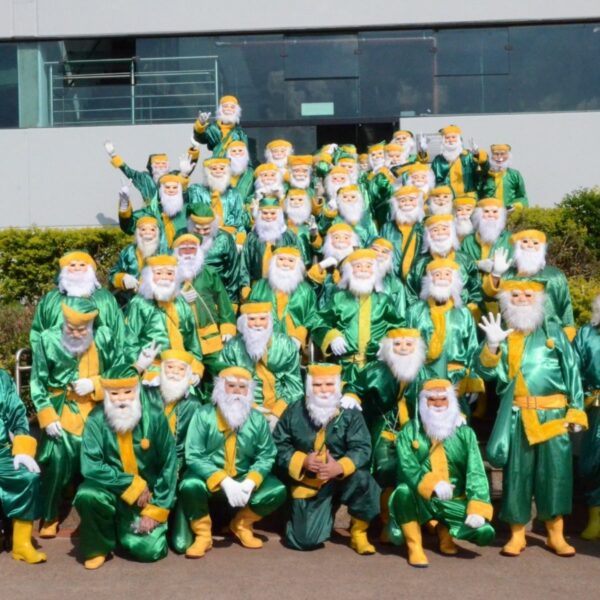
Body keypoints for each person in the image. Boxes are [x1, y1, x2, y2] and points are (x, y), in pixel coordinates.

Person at [476, 280, 587, 557]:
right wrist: (492, 346)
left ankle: (555, 534)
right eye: (515, 295)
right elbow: (486, 374)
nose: (522, 299)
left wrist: (576, 409)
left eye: (528, 294)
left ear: (538, 299)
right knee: (517, 475)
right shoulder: (504, 333)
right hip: (519, 417)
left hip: (553, 417)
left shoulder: (554, 331)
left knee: (556, 476)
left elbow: (572, 370)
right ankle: (517, 534)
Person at [73, 365, 177, 569]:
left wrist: (156, 509)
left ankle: (121, 531)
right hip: (110, 491)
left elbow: (169, 463)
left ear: (137, 391)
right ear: (106, 394)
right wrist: (130, 483)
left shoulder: (155, 416)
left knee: (151, 551)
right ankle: (98, 547)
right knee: (87, 494)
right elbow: (90, 465)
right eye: (114, 393)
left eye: (127, 392)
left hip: (147, 498)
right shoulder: (96, 419)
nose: (121, 399)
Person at [30, 302, 119, 537]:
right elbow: (37, 382)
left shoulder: (104, 337)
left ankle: (96, 517)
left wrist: (95, 384)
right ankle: (49, 515)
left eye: (83, 329)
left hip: (97, 411)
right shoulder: (48, 338)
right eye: (72, 329)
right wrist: (47, 416)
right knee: (56, 459)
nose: (77, 334)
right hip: (61, 410)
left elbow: (117, 372)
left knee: (105, 458)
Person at [179, 366, 287, 557]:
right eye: (231, 386)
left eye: (242, 387)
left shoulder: (257, 419)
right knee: (189, 485)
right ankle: (203, 535)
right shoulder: (204, 415)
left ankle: (241, 524)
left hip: (243, 476)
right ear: (220, 388)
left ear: (249, 391)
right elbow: (194, 455)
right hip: (210, 478)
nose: (237, 391)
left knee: (277, 490)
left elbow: (266, 454)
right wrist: (224, 481)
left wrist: (251, 481)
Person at [273, 363, 380, 554]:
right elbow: (279, 444)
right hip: (310, 481)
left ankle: (358, 533)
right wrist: (303, 461)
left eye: (329, 384)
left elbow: (362, 447)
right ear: (309, 386)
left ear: (337, 386)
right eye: (317, 385)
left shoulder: (349, 411)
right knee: (304, 541)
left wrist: (339, 467)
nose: (324, 390)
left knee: (363, 479)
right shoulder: (295, 410)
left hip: (341, 478)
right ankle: (311, 514)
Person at [388, 379, 495, 567]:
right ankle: (415, 547)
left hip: (453, 499)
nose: (438, 404)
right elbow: (406, 468)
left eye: (443, 399)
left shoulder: (465, 433)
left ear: (451, 401)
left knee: (485, 532)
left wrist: (478, 508)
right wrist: (432, 484)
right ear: (423, 402)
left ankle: (445, 532)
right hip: (421, 499)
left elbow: (476, 472)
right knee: (402, 493)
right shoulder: (410, 431)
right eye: (432, 399)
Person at [344, 329, 430, 540]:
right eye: (398, 344)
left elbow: (439, 394)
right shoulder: (376, 370)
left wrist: (455, 412)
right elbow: (356, 386)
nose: (403, 348)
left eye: (408, 344)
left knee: (417, 469)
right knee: (385, 469)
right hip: (384, 427)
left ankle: (418, 520)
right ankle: (386, 522)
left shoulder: (424, 373)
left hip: (414, 430)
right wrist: (352, 395)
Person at [312, 249, 403, 388]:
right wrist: (332, 337)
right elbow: (318, 323)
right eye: (358, 266)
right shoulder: (338, 298)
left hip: (377, 370)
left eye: (368, 266)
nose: (363, 270)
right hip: (345, 368)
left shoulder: (384, 301)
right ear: (350, 271)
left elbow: (399, 328)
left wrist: (389, 344)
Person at [219, 302, 303, 430]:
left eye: (262, 319)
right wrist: (252, 408)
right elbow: (225, 386)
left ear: (270, 321)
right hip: (244, 409)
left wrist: (277, 413)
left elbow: (294, 387)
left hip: (282, 409)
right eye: (252, 319)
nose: (257, 324)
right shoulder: (233, 347)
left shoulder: (285, 346)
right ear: (243, 322)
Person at [407, 259, 479, 402]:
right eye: (437, 274)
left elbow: (473, 349)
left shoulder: (464, 313)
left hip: (457, 378)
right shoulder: (415, 311)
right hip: (424, 377)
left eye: (447, 274)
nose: (442, 278)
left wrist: (473, 382)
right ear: (429, 279)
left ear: (455, 279)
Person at [483, 229, 576, 340]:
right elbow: (488, 297)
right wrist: (496, 274)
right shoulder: (506, 274)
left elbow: (565, 305)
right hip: (510, 334)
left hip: (549, 338)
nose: (530, 245)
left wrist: (567, 332)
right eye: (525, 241)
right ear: (517, 245)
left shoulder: (555, 276)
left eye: (535, 243)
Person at [123, 255, 204, 380]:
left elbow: (192, 341)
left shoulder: (181, 303)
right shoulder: (139, 303)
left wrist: (195, 371)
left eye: (170, 273)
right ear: (149, 276)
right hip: (150, 369)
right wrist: (138, 368)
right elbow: (129, 341)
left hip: (180, 369)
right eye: (159, 273)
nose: (164, 278)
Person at [30, 250, 124, 348]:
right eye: (72, 265)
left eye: (82, 265)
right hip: (57, 355)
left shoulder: (105, 298)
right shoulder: (51, 299)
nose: (77, 268)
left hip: (99, 355)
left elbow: (119, 331)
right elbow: (38, 332)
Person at [0, 369, 46, 564]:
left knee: (28, 477)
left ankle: (21, 545)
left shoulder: (2, 378)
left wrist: (22, 449)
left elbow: (17, 414)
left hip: (2, 452)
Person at [173, 234, 236, 374]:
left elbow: (223, 300)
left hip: (210, 336)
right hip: (183, 339)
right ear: (176, 251)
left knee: (222, 371)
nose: (188, 253)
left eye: (192, 248)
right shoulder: (168, 275)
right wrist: (178, 296)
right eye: (184, 249)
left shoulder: (209, 272)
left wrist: (227, 327)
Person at [406, 215, 482, 311]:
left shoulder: (465, 259)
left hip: (461, 316)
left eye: (444, 229)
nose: (440, 233)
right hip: (428, 316)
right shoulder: (420, 264)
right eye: (435, 230)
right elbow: (411, 293)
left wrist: (469, 312)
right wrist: (418, 314)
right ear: (428, 236)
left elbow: (476, 289)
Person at [248, 247, 318, 349]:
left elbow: (313, 316)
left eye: (291, 261)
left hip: (294, 345)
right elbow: (250, 312)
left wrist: (300, 334)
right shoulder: (260, 286)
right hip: (264, 344)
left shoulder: (306, 291)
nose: (285, 264)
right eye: (281, 259)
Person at [572, 294, 600, 540]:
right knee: (592, 463)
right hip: (595, 406)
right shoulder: (586, 334)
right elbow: (575, 370)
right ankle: (595, 518)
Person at [239, 197, 303, 301]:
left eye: (273, 213)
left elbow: (299, 260)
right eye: (265, 213)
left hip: (283, 289)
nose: (269, 216)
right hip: (258, 290)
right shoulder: (252, 237)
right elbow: (244, 263)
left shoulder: (289, 236)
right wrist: (245, 285)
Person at [187, 204, 241, 310]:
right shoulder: (183, 236)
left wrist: (231, 302)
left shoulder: (225, 238)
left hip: (218, 295)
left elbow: (233, 271)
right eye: (197, 229)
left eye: (206, 229)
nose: (201, 233)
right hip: (190, 296)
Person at [187, 158, 249, 248]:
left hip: (230, 238)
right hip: (204, 236)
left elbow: (239, 220)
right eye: (214, 168)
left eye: (222, 168)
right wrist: (184, 175)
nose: (218, 171)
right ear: (207, 172)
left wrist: (240, 240)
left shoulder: (234, 193)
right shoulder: (197, 190)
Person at [119, 174, 190, 248]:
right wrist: (124, 203)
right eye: (167, 187)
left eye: (175, 187)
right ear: (161, 190)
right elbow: (129, 226)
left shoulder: (188, 210)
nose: (171, 190)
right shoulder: (151, 211)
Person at [109, 215, 162, 307]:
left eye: (152, 230)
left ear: (157, 233)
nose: (147, 233)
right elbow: (112, 274)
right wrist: (122, 279)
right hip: (128, 303)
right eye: (143, 229)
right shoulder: (128, 252)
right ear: (137, 232)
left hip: (156, 305)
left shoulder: (163, 253)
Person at [306, 223, 359, 309]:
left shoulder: (358, 264)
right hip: (325, 310)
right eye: (336, 237)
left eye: (346, 238)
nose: (341, 240)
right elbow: (312, 291)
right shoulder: (327, 268)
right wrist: (322, 265)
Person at [380, 186, 425, 282]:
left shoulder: (423, 228)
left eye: (411, 200)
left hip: (416, 281)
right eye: (402, 200)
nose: (407, 203)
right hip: (393, 280)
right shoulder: (387, 228)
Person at [430, 125, 487, 198]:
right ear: (443, 140)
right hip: (447, 199)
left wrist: (477, 155)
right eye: (447, 138)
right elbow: (431, 180)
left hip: (467, 198)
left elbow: (482, 171)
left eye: (453, 137)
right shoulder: (438, 160)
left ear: (458, 139)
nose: (450, 140)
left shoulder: (468, 156)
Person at [480, 144, 528, 209]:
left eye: (502, 154)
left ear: (508, 156)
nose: (499, 157)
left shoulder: (514, 175)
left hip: (510, 213)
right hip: (489, 213)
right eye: (496, 154)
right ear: (491, 156)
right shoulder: (484, 174)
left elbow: (522, 197)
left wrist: (514, 206)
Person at [370, 238, 407, 311]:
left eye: (384, 252)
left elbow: (400, 313)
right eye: (375, 249)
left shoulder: (396, 285)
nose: (379, 254)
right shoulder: (355, 279)